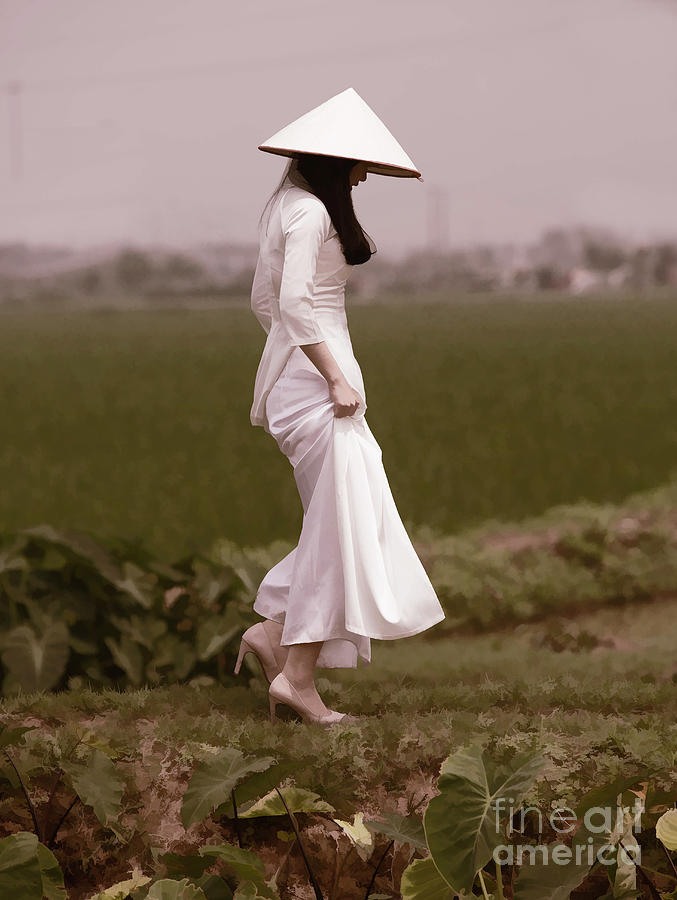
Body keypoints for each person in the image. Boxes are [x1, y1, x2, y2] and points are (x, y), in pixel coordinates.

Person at [234, 87, 446, 725]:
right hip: (321, 386)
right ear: (334, 162)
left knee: (347, 517)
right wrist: (332, 376)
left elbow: (265, 307)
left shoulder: (285, 207)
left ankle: (275, 634)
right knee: (343, 523)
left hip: (301, 379)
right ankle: (297, 677)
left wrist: (296, 366)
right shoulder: (311, 215)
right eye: (358, 166)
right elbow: (295, 305)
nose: (362, 176)